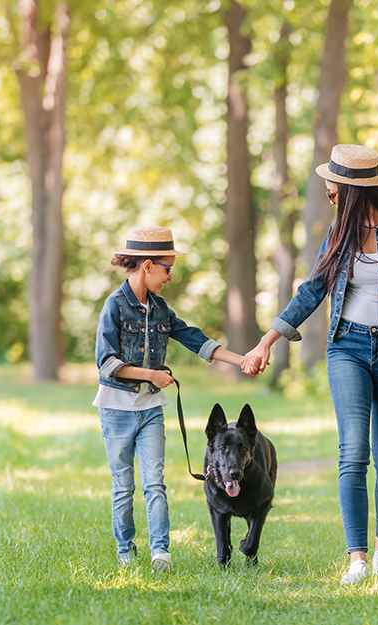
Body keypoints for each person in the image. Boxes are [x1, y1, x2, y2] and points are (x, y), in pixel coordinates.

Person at [243, 144, 378, 584]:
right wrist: (266, 341)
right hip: (347, 348)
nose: (330, 197)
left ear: (354, 190)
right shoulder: (340, 232)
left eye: (333, 190)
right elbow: (312, 290)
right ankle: (357, 559)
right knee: (353, 452)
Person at [94, 226, 250, 573]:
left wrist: (242, 360)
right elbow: (106, 364)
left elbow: (197, 340)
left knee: (155, 483)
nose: (169, 277)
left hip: (150, 409)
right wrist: (151, 375)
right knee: (123, 486)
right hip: (117, 409)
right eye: (167, 269)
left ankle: (160, 552)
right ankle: (125, 551)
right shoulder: (114, 306)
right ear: (148, 265)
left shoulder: (161, 309)